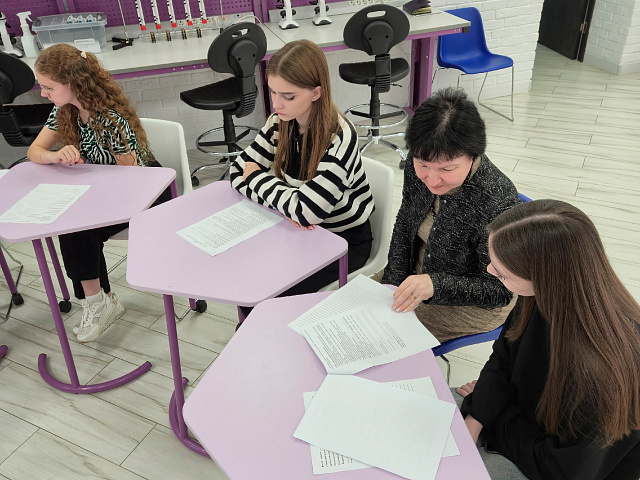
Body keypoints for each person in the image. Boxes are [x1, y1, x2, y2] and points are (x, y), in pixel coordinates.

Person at [455, 199, 640, 480]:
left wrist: (495, 413)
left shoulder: (607, 370)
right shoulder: (538, 296)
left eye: (502, 273)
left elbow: (562, 470)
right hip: (527, 431)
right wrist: (475, 418)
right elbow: (502, 359)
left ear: (544, 277)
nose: (490, 271)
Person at [26, 44, 171, 343]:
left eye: (48, 87)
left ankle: (98, 302)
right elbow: (34, 151)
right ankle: (99, 300)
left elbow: (131, 181)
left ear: (72, 83)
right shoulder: (64, 109)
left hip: (148, 191)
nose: (43, 93)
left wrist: (89, 197)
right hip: (104, 190)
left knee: (77, 226)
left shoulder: (110, 118)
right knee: (72, 223)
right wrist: (54, 155)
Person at [230, 40, 374, 300]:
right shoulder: (278, 123)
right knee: (247, 282)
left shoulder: (340, 136)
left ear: (316, 93)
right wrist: (287, 206)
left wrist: (257, 178)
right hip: (295, 232)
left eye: (289, 96)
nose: (277, 104)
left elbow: (308, 212)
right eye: (273, 92)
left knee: (266, 295)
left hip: (342, 240)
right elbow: (236, 172)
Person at [379, 87, 521, 342]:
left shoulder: (496, 199)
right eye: (423, 165)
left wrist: (435, 285)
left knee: (382, 335)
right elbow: (405, 223)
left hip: (469, 304)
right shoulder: (419, 159)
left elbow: (499, 291)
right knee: (352, 308)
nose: (432, 180)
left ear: (474, 156)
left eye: (447, 169)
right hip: (418, 275)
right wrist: (392, 283)